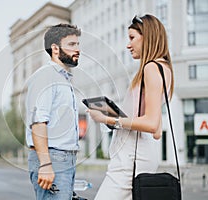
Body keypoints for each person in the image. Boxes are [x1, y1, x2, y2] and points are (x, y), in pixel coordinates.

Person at [87, 14, 174, 200]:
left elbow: (151, 124)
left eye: (132, 38)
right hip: (141, 154)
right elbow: (157, 130)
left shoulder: (151, 68)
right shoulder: (164, 68)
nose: (128, 45)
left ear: (148, 37)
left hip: (130, 159)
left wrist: (107, 119)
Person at [25, 23, 81, 200]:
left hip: (64, 160)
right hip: (53, 158)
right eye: (72, 44)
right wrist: (46, 164)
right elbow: (38, 122)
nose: (78, 49)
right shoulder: (47, 76)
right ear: (55, 48)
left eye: (78, 44)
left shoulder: (63, 79)